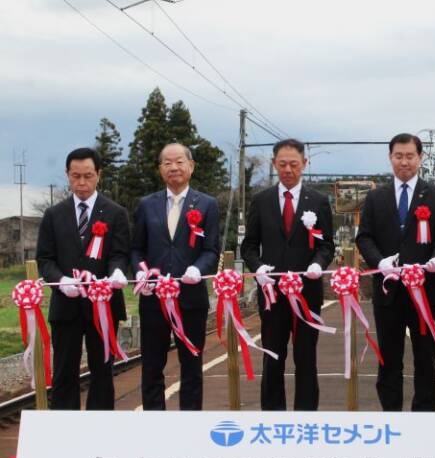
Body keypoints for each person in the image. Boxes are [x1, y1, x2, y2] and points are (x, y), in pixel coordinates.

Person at [356, 133, 435, 411]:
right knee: (389, 356)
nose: (404, 162)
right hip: (388, 292)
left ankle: (423, 415)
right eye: (398, 156)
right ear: (390, 158)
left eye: (410, 156)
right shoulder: (376, 197)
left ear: (420, 158)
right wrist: (379, 262)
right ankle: (391, 415)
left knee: (425, 356)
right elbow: (364, 237)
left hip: (425, 289)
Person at [241, 138, 335, 411]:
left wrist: (318, 265)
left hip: (307, 293)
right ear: (274, 164)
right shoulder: (261, 201)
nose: (288, 169)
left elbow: (327, 244)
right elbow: (248, 245)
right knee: (273, 356)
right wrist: (257, 267)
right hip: (272, 294)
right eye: (282, 164)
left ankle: (306, 416)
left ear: (304, 164)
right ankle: (272, 416)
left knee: (306, 358)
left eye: (294, 164)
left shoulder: (317, 201)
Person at [36, 147, 130, 410]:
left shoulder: (115, 213)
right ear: (67, 175)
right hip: (66, 306)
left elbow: (119, 254)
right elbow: (45, 259)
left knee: (102, 371)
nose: (81, 183)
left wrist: (116, 272)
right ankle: (65, 431)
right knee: (64, 372)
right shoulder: (54, 215)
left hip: (104, 306)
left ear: (98, 174)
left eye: (87, 176)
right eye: (75, 176)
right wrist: (62, 281)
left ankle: (99, 430)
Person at [130, 143, 220, 410]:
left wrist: (198, 269)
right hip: (154, 298)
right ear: (160, 169)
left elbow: (212, 250)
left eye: (179, 161)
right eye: (167, 163)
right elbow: (136, 249)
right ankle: (154, 422)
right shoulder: (147, 205)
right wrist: (140, 272)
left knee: (191, 364)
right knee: (152, 365)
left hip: (191, 298)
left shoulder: (207, 204)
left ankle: (189, 423)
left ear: (191, 166)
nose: (174, 167)